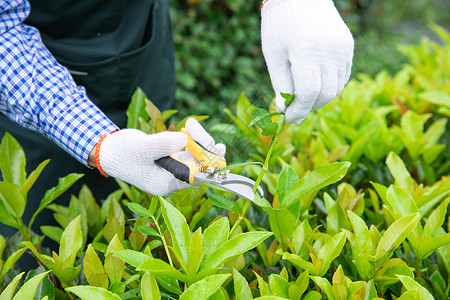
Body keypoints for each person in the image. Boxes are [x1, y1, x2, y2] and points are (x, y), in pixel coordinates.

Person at [0, 0, 353, 234]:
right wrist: (98, 141)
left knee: (152, 210)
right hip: (37, 64)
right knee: (47, 238)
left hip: (138, 32)